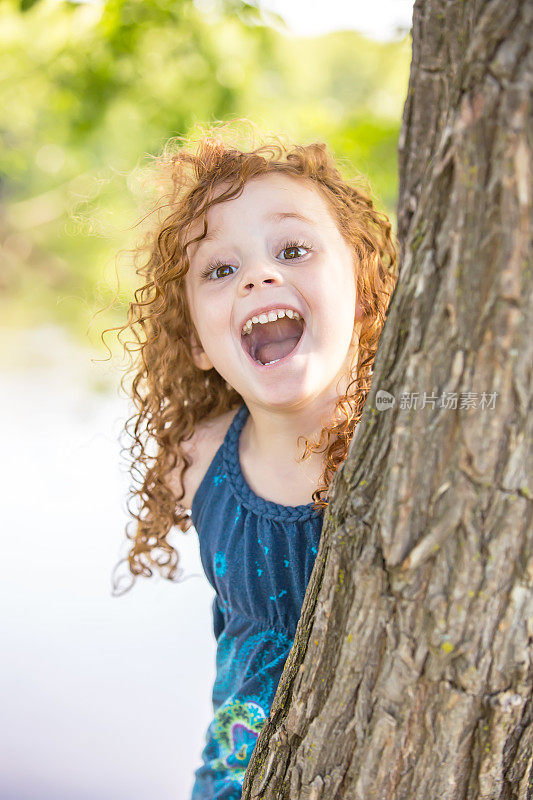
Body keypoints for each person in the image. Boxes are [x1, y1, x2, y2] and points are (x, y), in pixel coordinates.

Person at [112, 123, 397, 799]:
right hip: (238, 783)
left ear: (363, 292)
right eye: (220, 269)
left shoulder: (410, 441)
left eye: (293, 249)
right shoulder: (199, 457)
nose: (260, 275)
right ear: (197, 342)